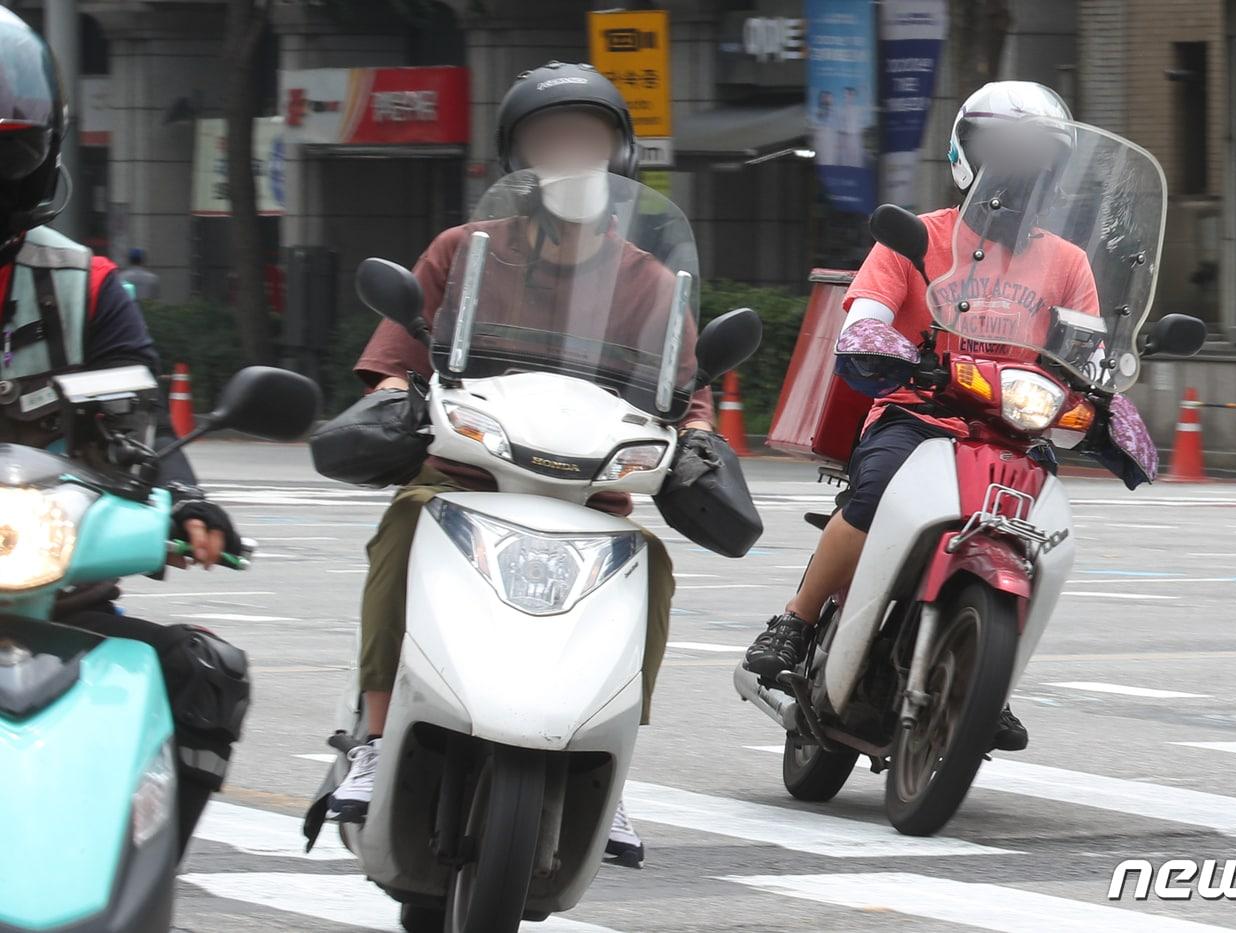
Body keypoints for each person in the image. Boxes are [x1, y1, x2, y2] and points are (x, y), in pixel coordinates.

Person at [325, 62, 715, 871]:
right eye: (550, 139)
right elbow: (398, 356)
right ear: (519, 158)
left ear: (619, 156)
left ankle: (607, 765)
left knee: (652, 566)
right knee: (404, 522)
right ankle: (372, 729)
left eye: (587, 138)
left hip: (590, 489)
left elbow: (688, 387)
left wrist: (701, 439)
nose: (570, 153)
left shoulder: (648, 278)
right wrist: (399, 395)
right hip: (466, 474)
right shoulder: (462, 251)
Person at [744, 81, 1099, 754]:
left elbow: (1088, 352)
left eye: (1035, 160)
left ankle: (986, 672)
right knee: (873, 495)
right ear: (966, 155)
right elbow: (867, 316)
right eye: (1003, 153)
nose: (1019, 172)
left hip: (1015, 433)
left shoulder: (1070, 263)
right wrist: (881, 340)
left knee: (1041, 540)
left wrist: (1108, 397)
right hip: (920, 412)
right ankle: (795, 619)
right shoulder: (916, 238)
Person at [0, 9, 247, 849]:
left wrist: (186, 504)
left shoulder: (85, 286)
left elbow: (134, 428)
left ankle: (139, 880)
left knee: (204, 673)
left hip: (53, 599)